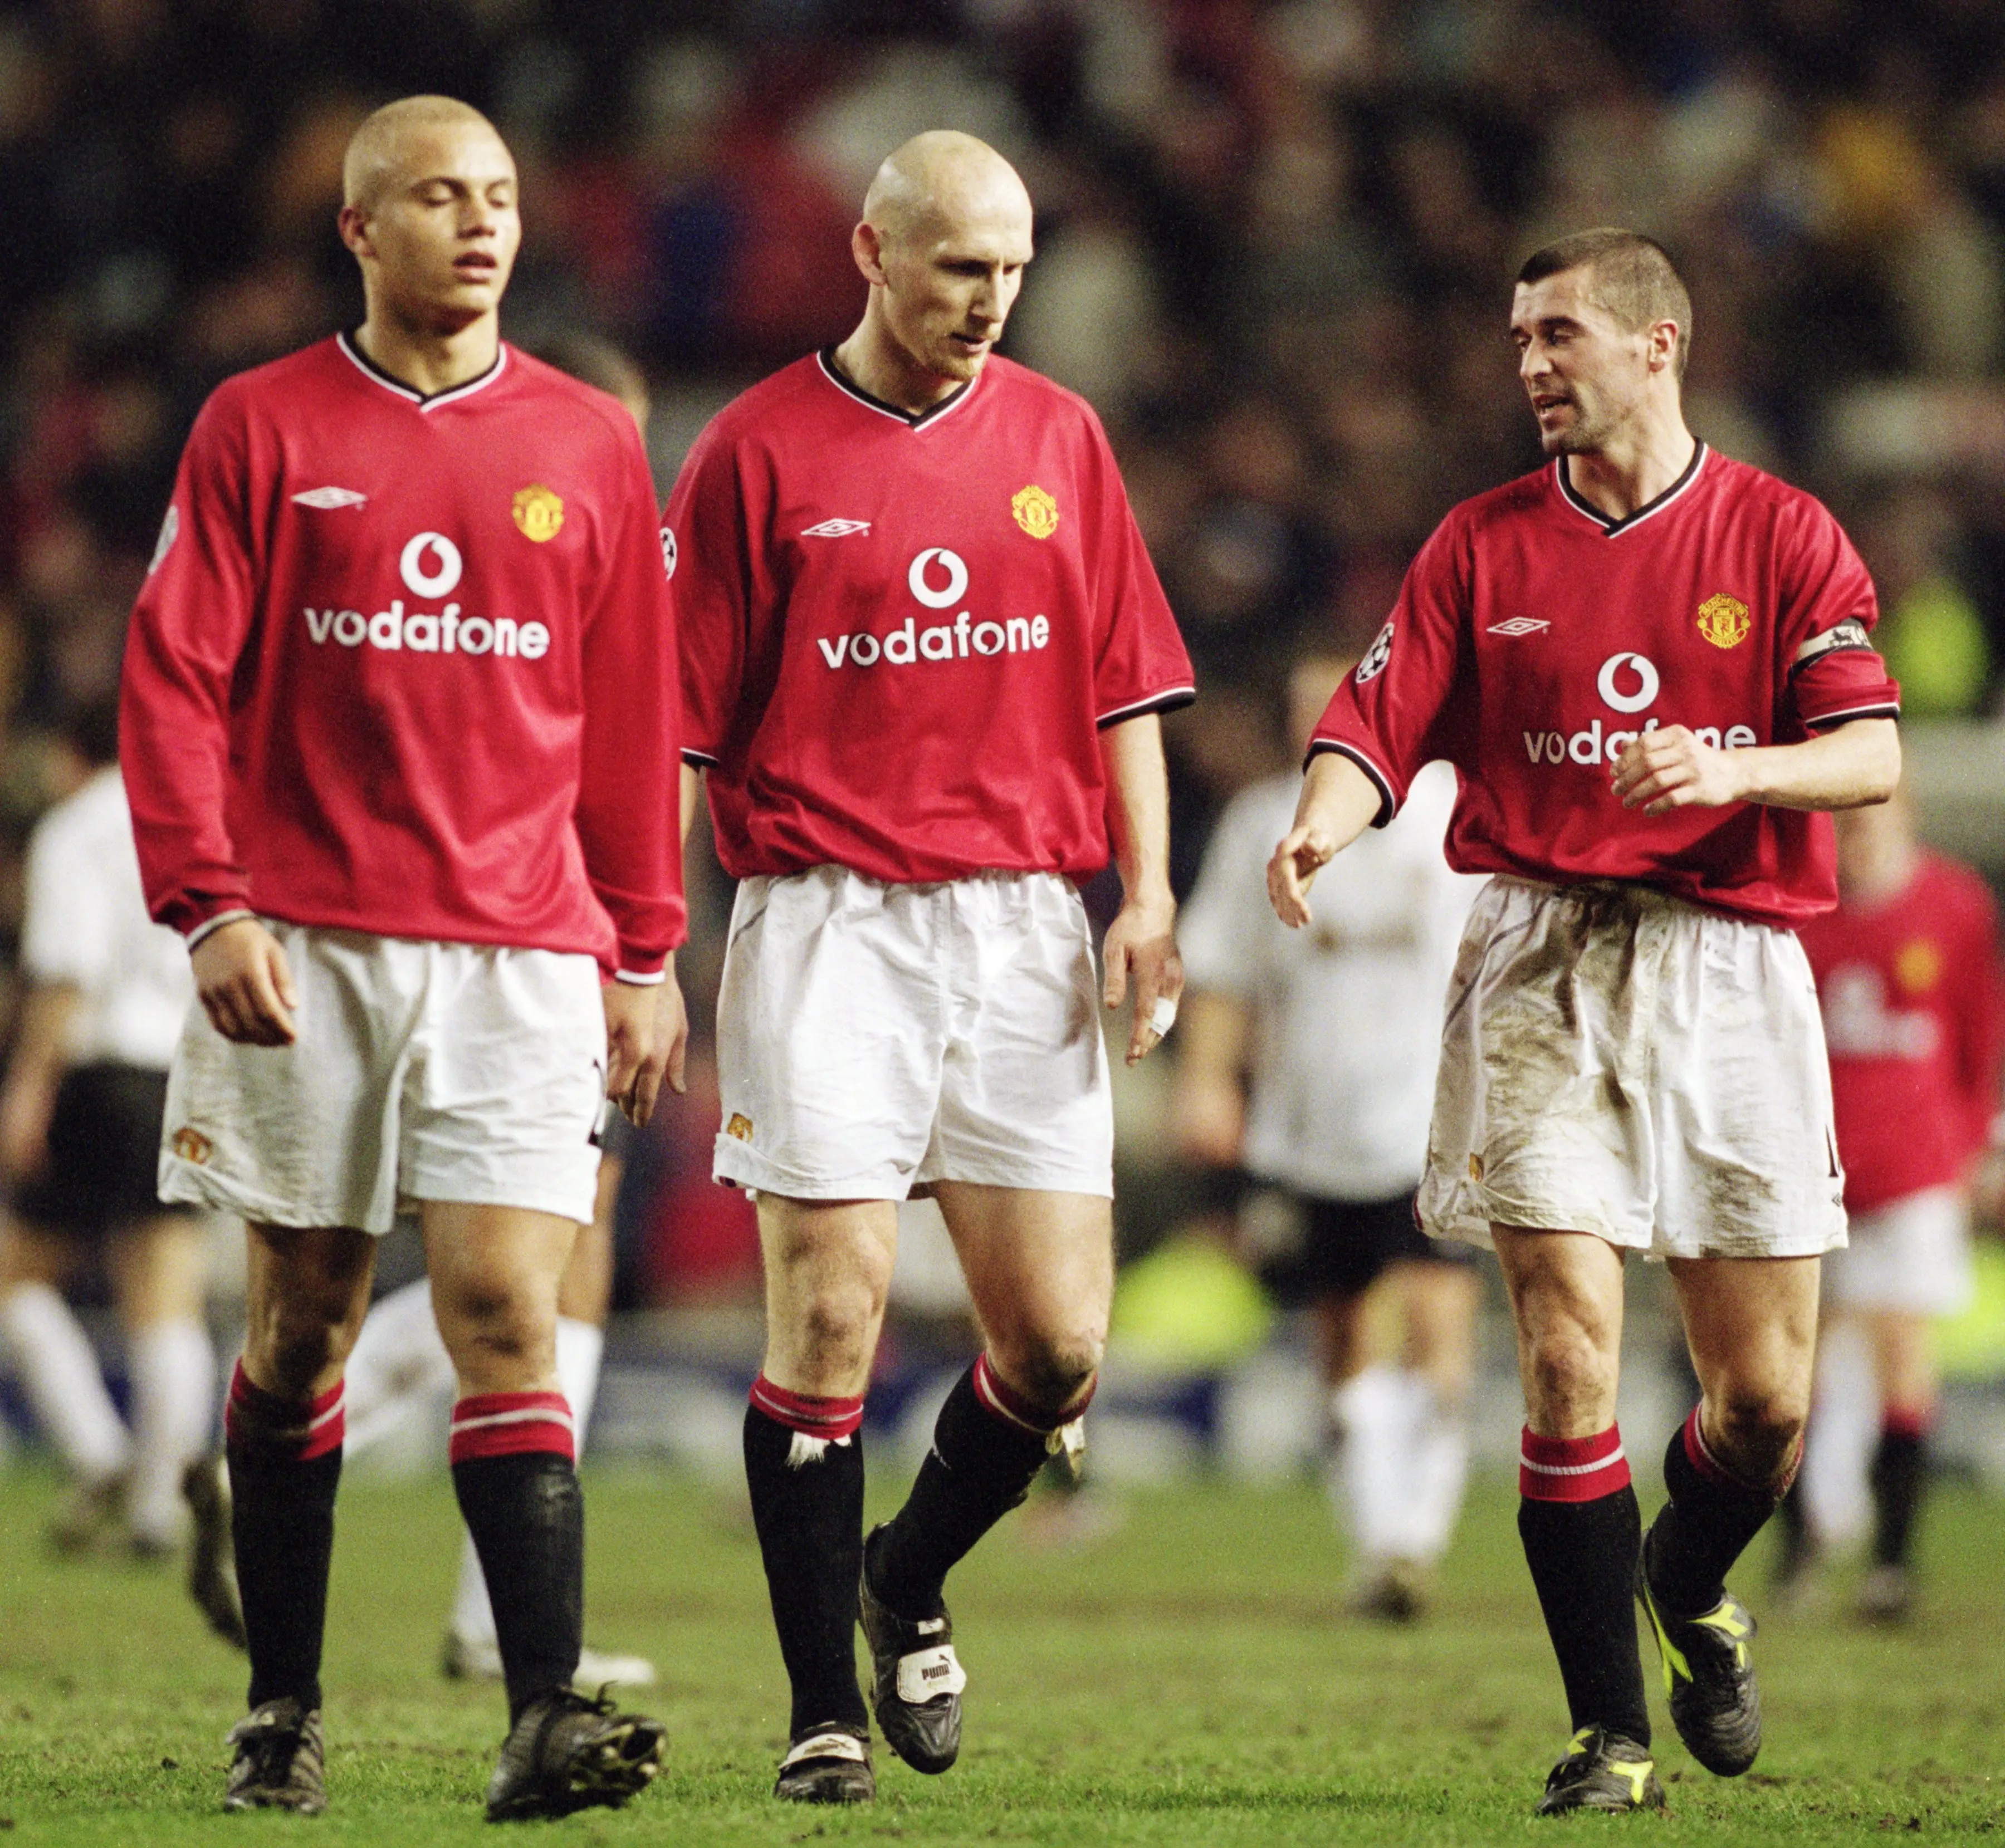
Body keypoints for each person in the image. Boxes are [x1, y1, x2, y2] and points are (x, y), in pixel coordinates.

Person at [1268, 228, 1901, 1815]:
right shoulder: (1478, 546)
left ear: (1656, 344)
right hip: (1542, 950)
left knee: (1761, 1405)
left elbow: (1871, 749)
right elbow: (1374, 719)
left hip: (1732, 958)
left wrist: (1734, 767)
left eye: (1558, 334)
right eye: (1520, 338)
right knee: (1564, 1347)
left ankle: (1689, 1587)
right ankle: (1608, 1733)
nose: (1531, 364)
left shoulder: (1781, 531)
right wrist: (1319, 820)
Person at [118, 95, 683, 1820]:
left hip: (521, 949)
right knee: (306, 1326)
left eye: (501, 195)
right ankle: (281, 1703)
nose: (481, 221)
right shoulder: (259, 424)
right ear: (361, 229)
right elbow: (173, 675)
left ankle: (539, 1716)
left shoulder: (590, 441)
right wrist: (206, 903)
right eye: (439, 196)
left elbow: (631, 721)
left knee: (512, 1304)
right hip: (308, 940)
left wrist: (645, 947)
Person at [666, 130, 1192, 1804]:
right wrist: (642, 945)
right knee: (831, 1309)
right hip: (824, 917)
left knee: (1055, 1352)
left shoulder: (1060, 434)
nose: (992, 301)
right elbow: (680, 727)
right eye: (963, 266)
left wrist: (1150, 892)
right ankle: (823, 1705)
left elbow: (1125, 689)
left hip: (1026, 915)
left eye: (1016, 269)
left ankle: (904, 1575)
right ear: (872, 251)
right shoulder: (752, 451)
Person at [335, 331, 661, 1694]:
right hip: (524, 942)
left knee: (561, 1270)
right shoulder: (531, 550)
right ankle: (304, 1437)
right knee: (530, 1269)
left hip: (584, 942)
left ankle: (491, 1614)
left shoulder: (631, 547)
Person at [1174, 654, 1483, 1621]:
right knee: (1345, 1338)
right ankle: (1377, 1540)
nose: (1327, 728)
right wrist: (1206, 1080)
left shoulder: (1446, 812)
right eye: (1309, 712)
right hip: (1314, 1119)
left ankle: (1414, 1540)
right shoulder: (1262, 821)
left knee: (1436, 1320)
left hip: (1438, 1116)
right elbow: (1223, 967)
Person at [0, 698, 223, 1589]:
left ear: (68, 754)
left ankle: (97, 1451)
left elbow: (65, 967)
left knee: (17, 1278)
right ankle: (159, 1503)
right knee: (167, 1293)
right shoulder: (196, 809)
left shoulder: (74, 829)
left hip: (99, 1071)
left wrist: (27, 1087)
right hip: (187, 1068)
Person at [1776, 787, 2002, 1620]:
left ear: (1908, 817)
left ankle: (1891, 1564)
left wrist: (1977, 1140)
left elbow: (1980, 1032)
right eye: (1849, 825)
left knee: (1903, 1357)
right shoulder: (1805, 906)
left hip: (1914, 1166)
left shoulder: (1954, 904)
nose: (1859, 841)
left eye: (1873, 824)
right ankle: (1798, 1549)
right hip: (1814, 1166)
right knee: (1791, 1371)